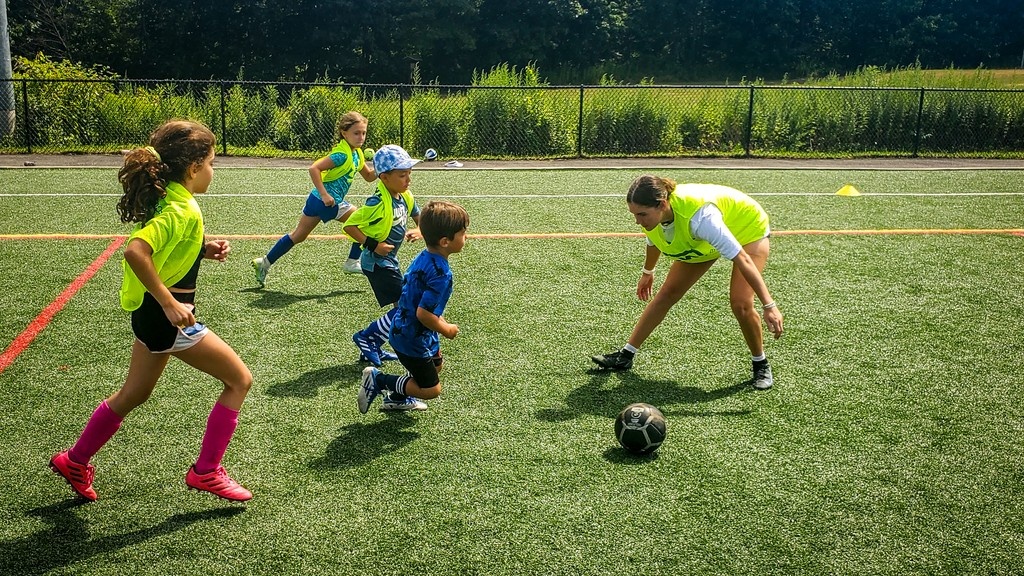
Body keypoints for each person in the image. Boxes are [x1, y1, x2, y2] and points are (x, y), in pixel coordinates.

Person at [49, 120, 254, 502]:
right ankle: (206, 471)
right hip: (167, 320)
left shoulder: (170, 197)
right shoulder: (181, 209)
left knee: (134, 393)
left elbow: (166, 245)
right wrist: (170, 303)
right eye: (212, 164)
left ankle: (75, 460)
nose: (213, 171)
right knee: (239, 380)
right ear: (193, 167)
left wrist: (201, 249)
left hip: (149, 317)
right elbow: (136, 251)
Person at [591, 175, 784, 390]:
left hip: (746, 229)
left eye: (642, 214)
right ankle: (626, 356)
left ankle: (761, 364)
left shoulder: (702, 218)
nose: (637, 221)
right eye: (634, 214)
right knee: (668, 293)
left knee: (740, 302)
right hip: (704, 238)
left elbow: (743, 259)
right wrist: (648, 271)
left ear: (662, 204)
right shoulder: (654, 215)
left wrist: (769, 306)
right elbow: (654, 240)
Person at [357, 200, 468, 414]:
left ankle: (397, 399)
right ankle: (379, 380)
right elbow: (424, 314)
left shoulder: (425, 256)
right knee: (431, 389)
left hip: (410, 329)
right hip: (411, 337)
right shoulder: (442, 274)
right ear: (445, 241)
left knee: (436, 366)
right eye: (463, 233)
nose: (466, 237)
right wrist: (447, 329)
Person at [251, 111, 375, 287]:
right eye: (356, 133)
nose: (361, 137)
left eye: (363, 133)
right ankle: (352, 261)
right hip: (328, 202)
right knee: (364, 222)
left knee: (298, 236)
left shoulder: (357, 154)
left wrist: (383, 167)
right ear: (344, 133)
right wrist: (325, 194)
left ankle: (264, 263)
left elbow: (369, 177)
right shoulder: (341, 155)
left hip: (315, 200)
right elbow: (314, 168)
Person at [343, 145, 424, 401]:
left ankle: (371, 345)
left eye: (409, 173)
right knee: (405, 308)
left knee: (403, 306)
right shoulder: (377, 202)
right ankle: (366, 337)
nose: (408, 179)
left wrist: (420, 230)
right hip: (376, 262)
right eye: (402, 175)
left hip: (390, 260)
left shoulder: (405, 195)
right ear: (384, 177)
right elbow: (350, 225)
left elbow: (418, 215)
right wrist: (373, 245)